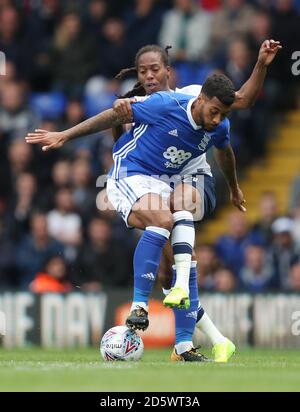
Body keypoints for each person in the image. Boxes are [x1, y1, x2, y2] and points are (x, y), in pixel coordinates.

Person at [26, 40, 281, 362]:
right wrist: (82, 131)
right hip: (147, 180)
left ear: (168, 71)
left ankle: (179, 337)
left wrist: (261, 64)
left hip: (189, 178)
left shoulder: (195, 98)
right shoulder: (144, 105)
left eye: (155, 69)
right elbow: (120, 137)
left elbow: (238, 107)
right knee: (168, 269)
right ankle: (199, 337)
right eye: (143, 71)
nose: (149, 75)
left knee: (180, 215)